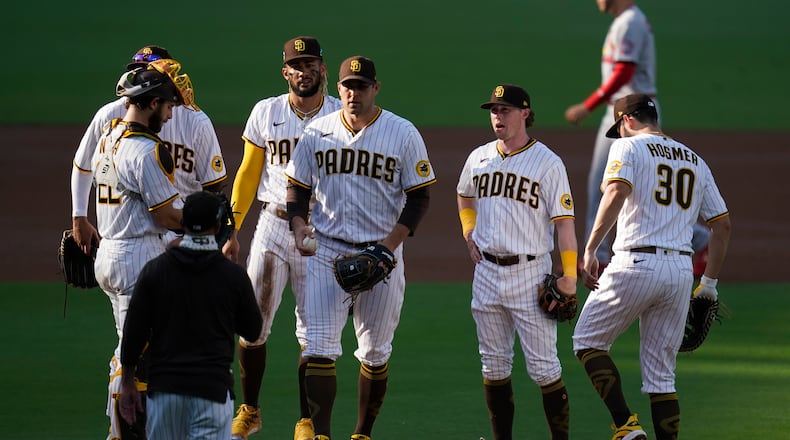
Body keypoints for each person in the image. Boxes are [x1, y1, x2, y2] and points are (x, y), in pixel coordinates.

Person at [284, 55, 435, 440]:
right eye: (348, 86)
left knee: (375, 352)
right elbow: (297, 190)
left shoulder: (402, 133)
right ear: (338, 89)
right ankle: (320, 434)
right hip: (326, 251)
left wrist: (388, 247)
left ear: (375, 88)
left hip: (382, 254)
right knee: (318, 345)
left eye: (362, 86)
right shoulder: (317, 132)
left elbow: (419, 198)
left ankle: (362, 433)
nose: (354, 93)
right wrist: (300, 225)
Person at [573, 94, 731, 440]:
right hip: (679, 272)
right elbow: (722, 225)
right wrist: (709, 284)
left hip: (635, 263)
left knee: (587, 341)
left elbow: (614, 193)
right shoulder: (695, 161)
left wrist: (590, 248)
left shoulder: (627, 149)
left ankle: (627, 428)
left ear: (627, 120)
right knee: (662, 378)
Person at [222, 36, 342, 440]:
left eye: (311, 64)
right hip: (273, 225)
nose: (304, 71)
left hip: (319, 229)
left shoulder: (341, 116)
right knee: (252, 323)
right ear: (285, 72)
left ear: (323, 69)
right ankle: (250, 409)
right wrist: (232, 228)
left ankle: (306, 421)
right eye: (296, 65)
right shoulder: (267, 112)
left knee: (314, 331)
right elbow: (248, 172)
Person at [456, 84, 578, 440]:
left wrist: (569, 274)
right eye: (494, 110)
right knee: (493, 365)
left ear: (525, 113)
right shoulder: (479, 157)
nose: (497, 116)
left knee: (544, 369)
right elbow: (464, 194)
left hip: (530, 273)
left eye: (505, 110)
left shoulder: (548, 163)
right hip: (487, 274)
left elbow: (565, 224)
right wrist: (469, 231)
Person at [564, 0, 711, 274]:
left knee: (618, 186)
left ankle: (598, 258)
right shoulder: (626, 21)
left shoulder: (629, 22)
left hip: (632, 116)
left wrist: (587, 105)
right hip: (625, 112)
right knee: (620, 186)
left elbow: (624, 72)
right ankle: (599, 256)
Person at [91, 58, 196, 439]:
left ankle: (118, 430)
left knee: (129, 347)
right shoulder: (146, 151)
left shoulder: (109, 139)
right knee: (134, 356)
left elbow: (106, 185)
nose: (170, 115)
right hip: (138, 259)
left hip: (110, 250)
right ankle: (124, 433)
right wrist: (202, 222)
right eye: (168, 106)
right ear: (152, 103)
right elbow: (167, 215)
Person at [118, 191, 263, 440]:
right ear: (217, 227)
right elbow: (253, 331)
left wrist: (128, 381)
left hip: (164, 394)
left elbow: (133, 331)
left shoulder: (155, 270)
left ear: (182, 224)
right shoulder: (233, 277)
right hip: (212, 393)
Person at [70, 45, 227, 258]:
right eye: (139, 71)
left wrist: (211, 232)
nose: (142, 76)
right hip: (139, 231)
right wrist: (79, 217)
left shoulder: (195, 121)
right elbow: (83, 164)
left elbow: (214, 186)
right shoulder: (111, 118)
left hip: (176, 229)